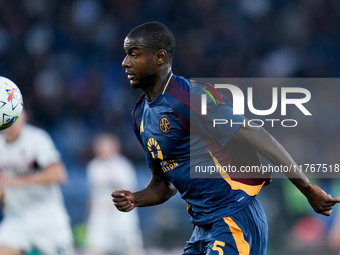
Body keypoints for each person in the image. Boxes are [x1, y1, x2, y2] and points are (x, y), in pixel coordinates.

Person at [112, 21, 340, 255]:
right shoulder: (140, 116)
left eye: (133, 54)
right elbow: (163, 184)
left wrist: (307, 187)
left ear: (160, 57)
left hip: (235, 216)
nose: (125, 62)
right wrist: (135, 198)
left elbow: (254, 133)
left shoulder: (189, 96)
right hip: (202, 228)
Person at [0, 110, 74, 255]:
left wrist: (18, 181)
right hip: (16, 218)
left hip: (47, 219)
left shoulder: (37, 138)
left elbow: (59, 174)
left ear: (24, 117)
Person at [85, 132, 144, 255]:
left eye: (105, 146)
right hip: (100, 214)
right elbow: (92, 194)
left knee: (131, 248)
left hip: (121, 214)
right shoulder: (93, 166)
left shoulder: (123, 166)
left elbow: (130, 191)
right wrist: (89, 215)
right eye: (100, 146)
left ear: (114, 147)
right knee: (96, 248)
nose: (102, 149)